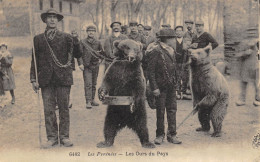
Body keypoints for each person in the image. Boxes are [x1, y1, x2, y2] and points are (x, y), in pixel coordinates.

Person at [30, 8, 81, 148]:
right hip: (45, 79)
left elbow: (77, 53)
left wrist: (76, 40)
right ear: (45, 20)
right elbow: (34, 61)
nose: (52, 19)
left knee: (64, 108)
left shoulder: (67, 37)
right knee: (48, 109)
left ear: (58, 20)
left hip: (63, 78)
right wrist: (33, 79)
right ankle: (52, 137)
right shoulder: (38, 39)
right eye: (49, 17)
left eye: (55, 17)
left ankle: (64, 137)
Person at [147, 29, 182, 145]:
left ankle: (172, 135)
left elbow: (175, 69)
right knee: (160, 112)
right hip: (160, 88)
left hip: (171, 86)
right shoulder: (155, 51)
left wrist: (177, 84)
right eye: (173, 38)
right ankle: (159, 135)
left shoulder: (172, 50)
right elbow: (150, 72)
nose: (175, 40)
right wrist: (154, 88)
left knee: (172, 110)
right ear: (166, 39)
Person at [78, 25, 103, 109]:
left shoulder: (98, 42)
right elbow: (79, 54)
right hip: (87, 66)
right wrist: (80, 64)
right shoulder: (82, 42)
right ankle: (88, 101)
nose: (91, 32)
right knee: (88, 83)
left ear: (95, 32)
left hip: (95, 65)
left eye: (93, 31)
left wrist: (100, 60)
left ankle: (92, 100)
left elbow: (102, 53)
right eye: (89, 31)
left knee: (94, 83)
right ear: (87, 32)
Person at [236, 27, 260, 106]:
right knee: (243, 83)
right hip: (245, 67)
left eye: (253, 34)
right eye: (249, 33)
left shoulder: (258, 42)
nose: (251, 35)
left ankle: (258, 99)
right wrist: (245, 53)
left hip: (255, 66)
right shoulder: (243, 43)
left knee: (257, 84)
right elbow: (237, 55)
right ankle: (242, 100)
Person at [172, 26, 191, 100]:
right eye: (177, 31)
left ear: (183, 32)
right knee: (176, 77)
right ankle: (178, 92)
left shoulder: (187, 41)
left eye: (180, 31)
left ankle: (184, 92)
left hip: (185, 62)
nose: (178, 32)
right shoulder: (173, 41)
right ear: (175, 32)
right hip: (175, 62)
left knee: (185, 77)